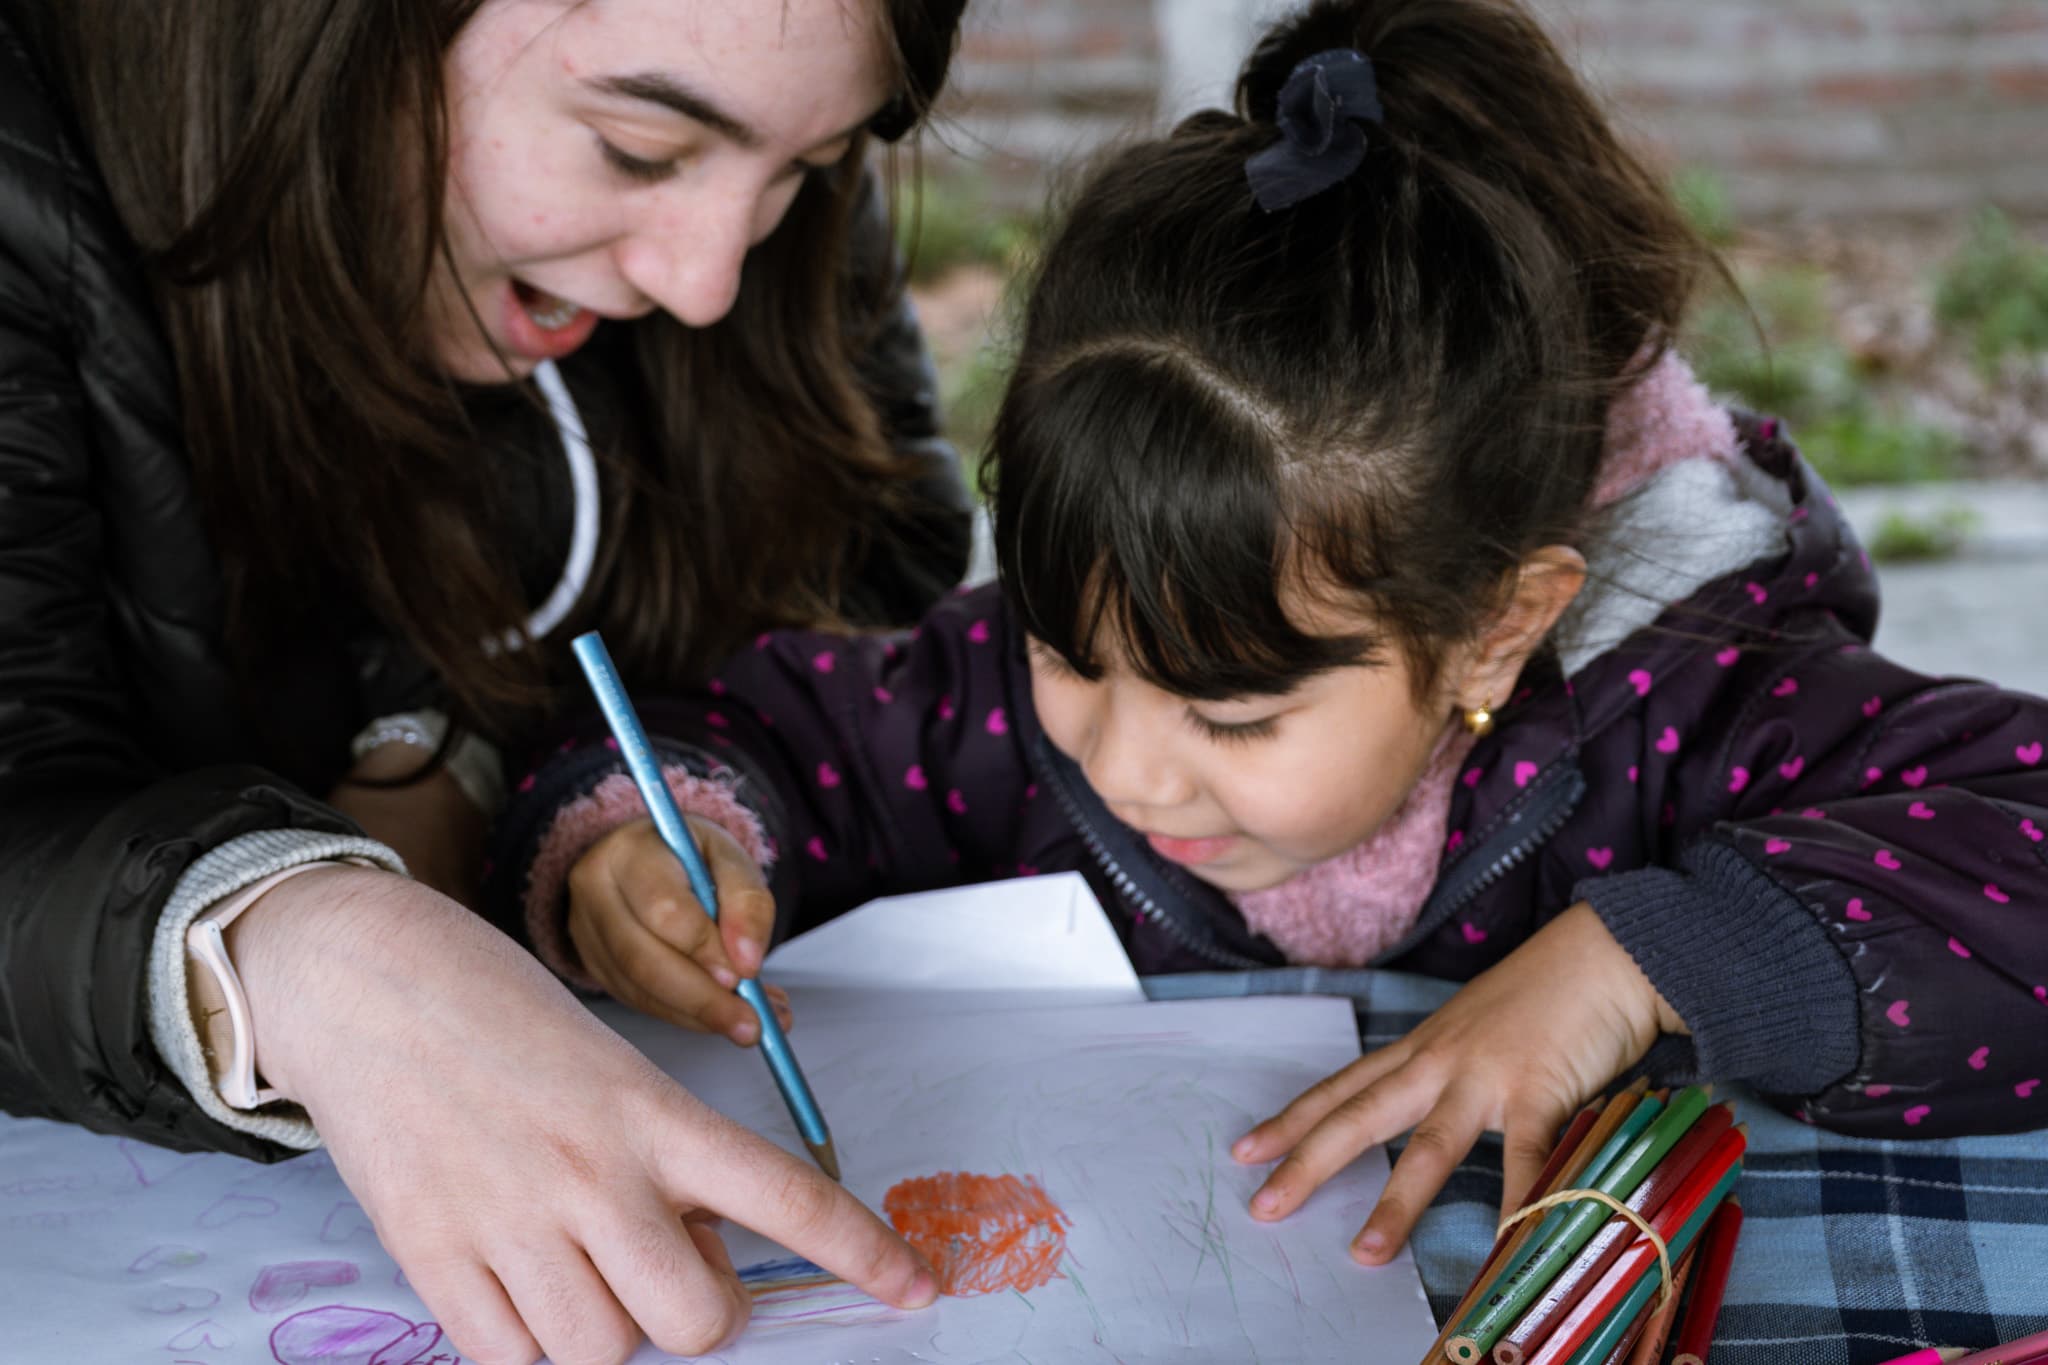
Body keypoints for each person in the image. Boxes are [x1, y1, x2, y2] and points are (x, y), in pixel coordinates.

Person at [489, 0, 2048, 1289]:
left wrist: (1647, 958)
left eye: (1232, 719)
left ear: (1495, 628)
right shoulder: (996, 707)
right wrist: (658, 837)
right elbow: (767, 733)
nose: (1122, 757)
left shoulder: (1695, 704)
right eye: (1069, 653)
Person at [0, 0, 974, 1359]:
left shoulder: (756, 86)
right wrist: (290, 945)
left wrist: (541, 794)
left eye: (810, 174)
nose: (705, 283)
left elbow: (879, 595)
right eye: (636, 147)